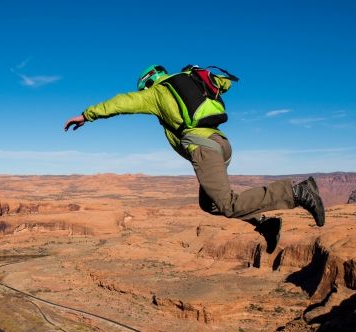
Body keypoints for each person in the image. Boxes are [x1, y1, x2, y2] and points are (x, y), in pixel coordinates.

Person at [64, 64, 325, 254]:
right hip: (220, 143)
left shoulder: (155, 92)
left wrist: (87, 115)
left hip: (202, 147)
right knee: (209, 205)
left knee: (227, 205)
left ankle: (297, 192)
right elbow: (225, 83)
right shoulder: (190, 78)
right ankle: (265, 224)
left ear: (147, 82)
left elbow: (121, 103)